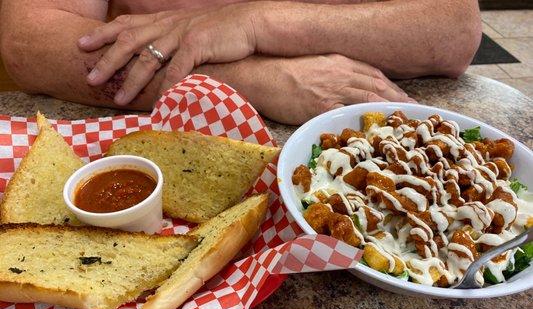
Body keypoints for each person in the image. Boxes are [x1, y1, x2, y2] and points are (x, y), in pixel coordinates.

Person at [0, 0, 481, 124]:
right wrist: (248, 82)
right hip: (160, 151)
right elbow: (29, 42)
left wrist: (259, 23)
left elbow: (453, 28)